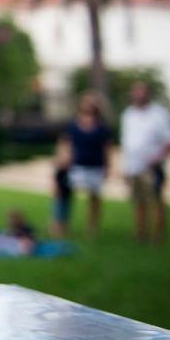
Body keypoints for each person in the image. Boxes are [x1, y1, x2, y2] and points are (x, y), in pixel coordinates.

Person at [120, 81, 170, 243]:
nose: (138, 95)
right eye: (136, 91)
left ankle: (158, 234)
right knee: (138, 200)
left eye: (141, 91)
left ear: (148, 94)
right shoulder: (128, 114)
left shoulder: (159, 114)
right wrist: (125, 166)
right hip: (133, 165)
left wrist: (158, 158)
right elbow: (126, 141)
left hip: (152, 166)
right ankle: (140, 232)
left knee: (156, 199)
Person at [60, 92, 113, 236]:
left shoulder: (102, 127)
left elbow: (107, 148)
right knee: (68, 194)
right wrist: (64, 157)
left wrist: (109, 166)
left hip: (96, 166)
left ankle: (92, 227)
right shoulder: (73, 125)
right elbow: (66, 142)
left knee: (94, 198)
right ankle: (63, 223)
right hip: (77, 165)